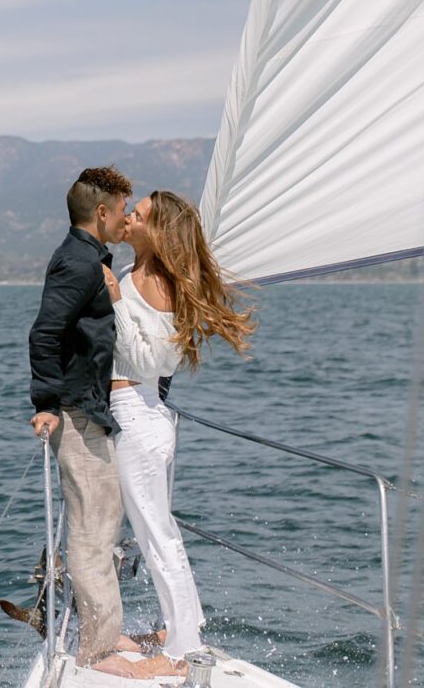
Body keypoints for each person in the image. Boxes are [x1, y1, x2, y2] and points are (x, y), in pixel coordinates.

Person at [101, 190, 255, 679]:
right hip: (136, 416)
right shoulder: (137, 274)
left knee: (158, 537)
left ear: (158, 231)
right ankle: (182, 627)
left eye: (138, 215)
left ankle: (185, 646)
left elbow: (153, 363)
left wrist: (114, 300)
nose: (129, 218)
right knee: (156, 534)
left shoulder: (156, 284)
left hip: (138, 417)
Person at [27, 166, 145, 676]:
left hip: (87, 407)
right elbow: (44, 333)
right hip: (75, 412)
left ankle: (104, 633)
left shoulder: (89, 259)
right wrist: (47, 403)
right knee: (94, 530)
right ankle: (98, 652)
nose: (126, 219)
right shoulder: (77, 264)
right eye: (123, 210)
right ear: (102, 212)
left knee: (101, 520)